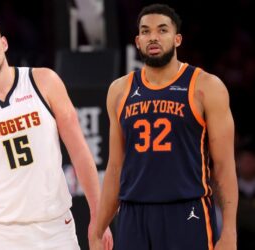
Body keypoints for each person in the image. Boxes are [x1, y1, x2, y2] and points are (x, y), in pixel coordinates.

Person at [0, 17, 113, 250]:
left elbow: (80, 151)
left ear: (4, 43)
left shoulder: (44, 81)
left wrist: (98, 218)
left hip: (55, 227)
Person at [90, 3, 238, 250]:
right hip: (133, 213)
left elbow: (223, 166)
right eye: (146, 32)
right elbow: (116, 167)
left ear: (177, 38)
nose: (153, 37)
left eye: (162, 30)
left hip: (187, 211)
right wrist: (98, 228)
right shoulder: (119, 90)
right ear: (138, 41)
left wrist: (230, 232)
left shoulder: (207, 87)